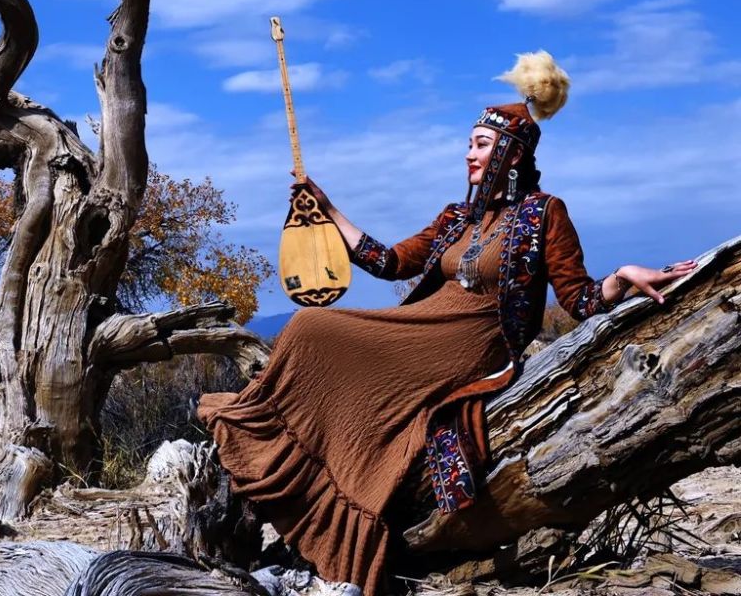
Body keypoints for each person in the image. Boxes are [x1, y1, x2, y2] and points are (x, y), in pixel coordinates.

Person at [198, 52, 695, 596]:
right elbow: (389, 262)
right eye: (469, 144)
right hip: (419, 330)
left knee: (314, 333)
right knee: (309, 326)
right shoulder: (455, 218)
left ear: (510, 152)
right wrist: (327, 207)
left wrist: (622, 278)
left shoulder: (544, 214)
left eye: (481, 144)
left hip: (476, 346)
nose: (469, 154)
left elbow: (579, 301)